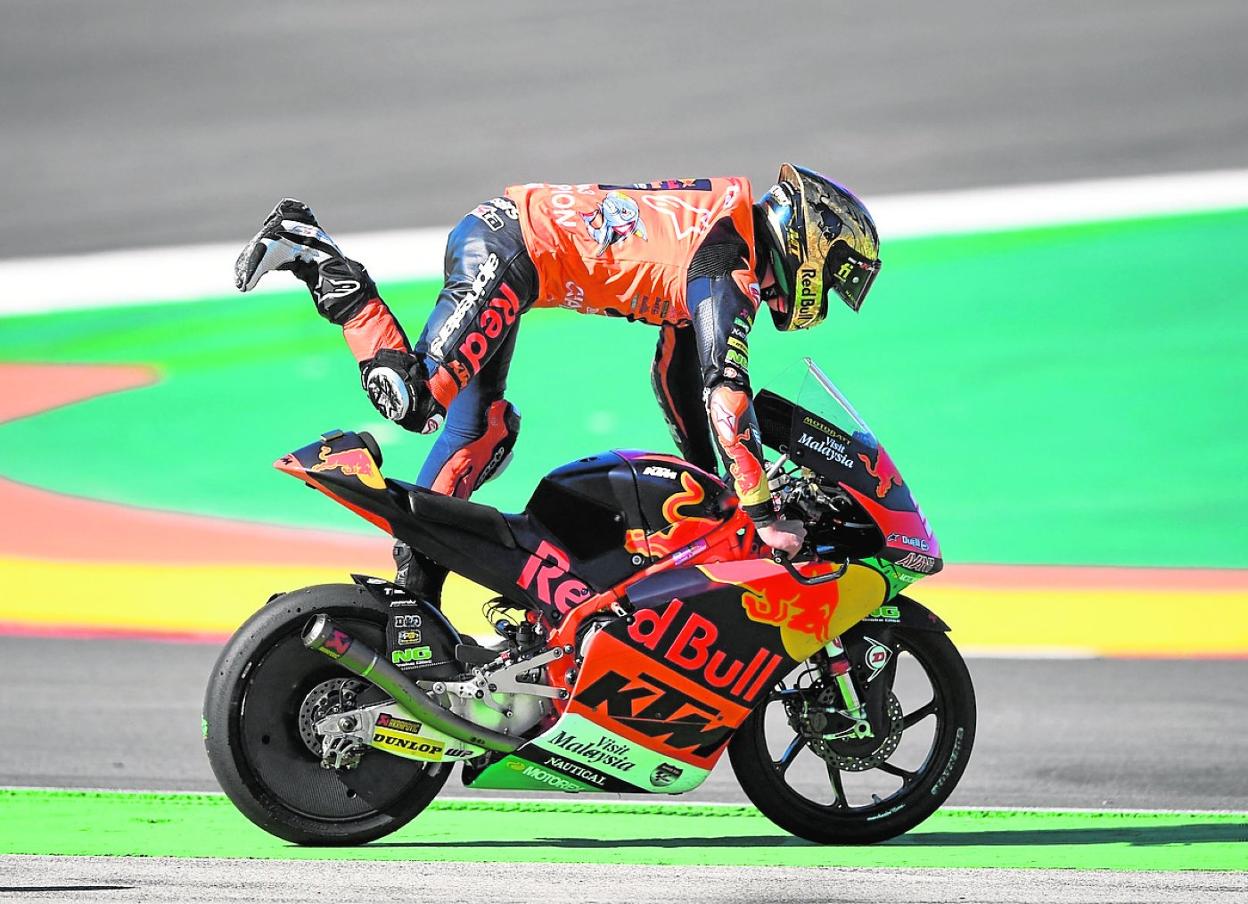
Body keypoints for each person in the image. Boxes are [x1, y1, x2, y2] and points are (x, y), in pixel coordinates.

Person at [235, 165, 882, 602]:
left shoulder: (721, 244)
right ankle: (317, 256)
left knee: (480, 431)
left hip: (517, 256)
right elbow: (723, 394)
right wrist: (762, 515)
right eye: (837, 274)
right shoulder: (727, 265)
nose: (828, 293)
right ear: (810, 245)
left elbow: (678, 381)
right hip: (510, 246)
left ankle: (415, 592)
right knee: (413, 398)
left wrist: (715, 494)